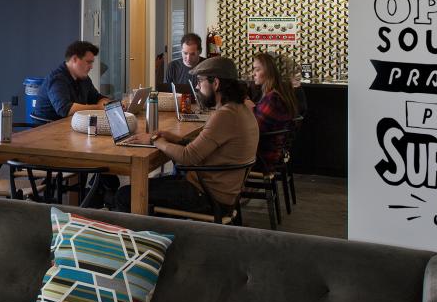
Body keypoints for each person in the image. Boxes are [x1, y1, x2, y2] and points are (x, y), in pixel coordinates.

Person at [115, 56, 259, 214]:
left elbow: (187, 157)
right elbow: (209, 145)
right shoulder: (241, 109)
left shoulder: (225, 115)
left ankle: (148, 236)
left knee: (126, 194)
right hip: (220, 191)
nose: (197, 86)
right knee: (148, 185)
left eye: (199, 81)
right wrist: (176, 139)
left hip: (207, 195)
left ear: (216, 83)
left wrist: (154, 139)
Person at [32, 40, 110, 121]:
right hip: (48, 129)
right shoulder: (57, 79)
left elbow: (97, 98)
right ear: (74, 59)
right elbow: (65, 109)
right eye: (88, 62)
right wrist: (99, 107)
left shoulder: (84, 78)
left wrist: (106, 103)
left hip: (70, 126)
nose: (91, 67)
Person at [247, 52, 298, 169]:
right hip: (275, 153)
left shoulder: (273, 99)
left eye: (257, 69)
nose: (253, 73)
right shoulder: (280, 94)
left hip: (263, 157)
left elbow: (253, 130)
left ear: (270, 72)